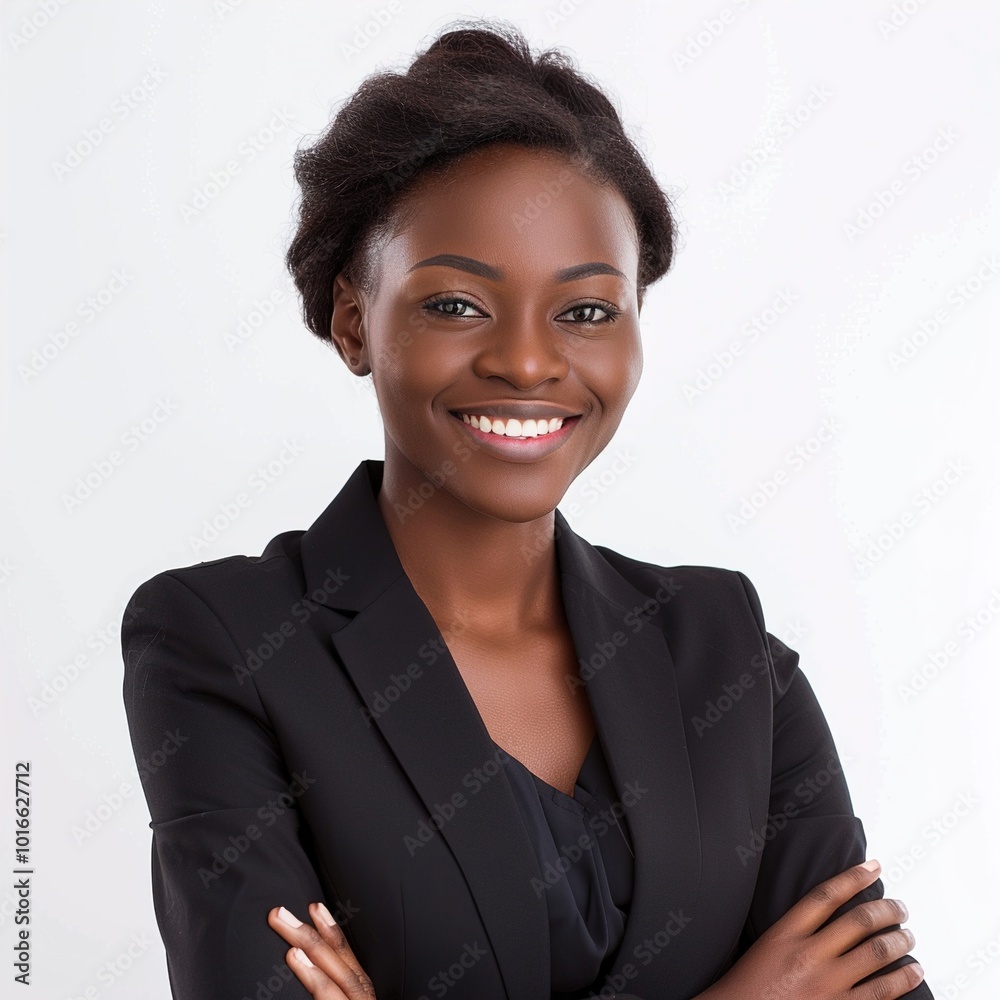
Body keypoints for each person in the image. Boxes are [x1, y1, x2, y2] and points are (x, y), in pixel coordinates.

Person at [121, 19, 933, 1000]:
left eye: (586, 311)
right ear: (352, 322)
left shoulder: (729, 657)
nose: (528, 360)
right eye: (457, 304)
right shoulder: (222, 643)